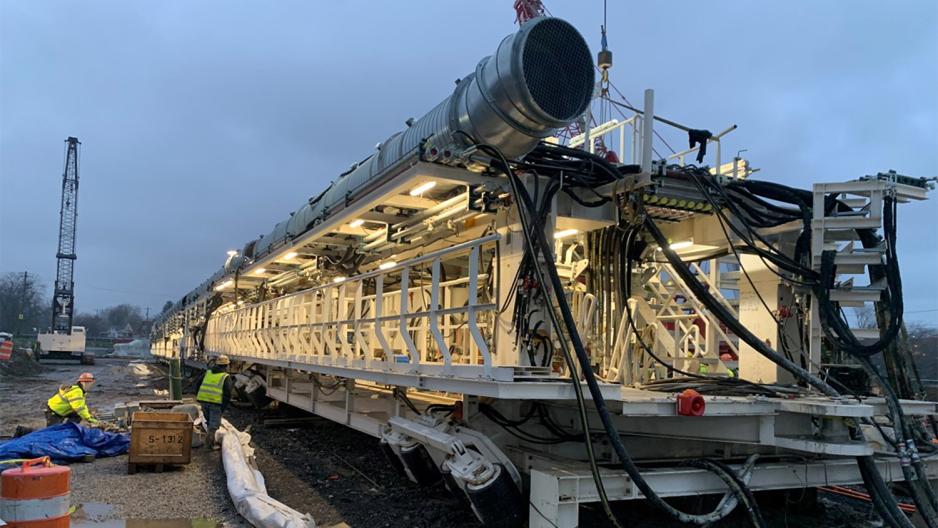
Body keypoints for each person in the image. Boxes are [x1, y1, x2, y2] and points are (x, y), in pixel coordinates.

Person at [197, 355, 233, 449]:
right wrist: (223, 408)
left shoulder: (208, 373)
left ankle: (210, 442)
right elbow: (227, 394)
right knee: (213, 426)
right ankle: (209, 445)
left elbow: (198, 384)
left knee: (209, 422)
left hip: (204, 402)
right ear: (226, 365)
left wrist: (199, 397)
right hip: (215, 403)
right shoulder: (225, 377)